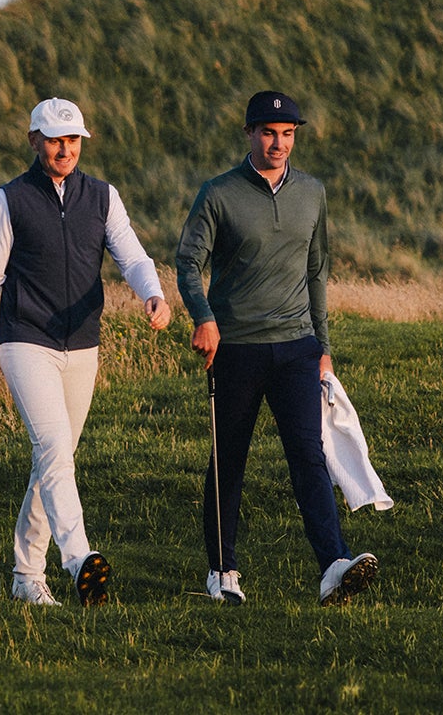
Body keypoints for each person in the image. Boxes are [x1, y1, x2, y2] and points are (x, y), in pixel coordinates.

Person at [0, 97, 172, 606]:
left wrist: (154, 293)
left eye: (73, 140)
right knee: (56, 450)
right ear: (34, 141)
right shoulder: (9, 199)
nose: (65, 150)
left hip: (82, 346)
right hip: (25, 340)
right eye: (55, 140)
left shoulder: (102, 197)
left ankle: (25, 576)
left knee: (52, 459)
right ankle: (80, 559)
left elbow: (132, 254)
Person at [176, 90, 378, 607]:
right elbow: (187, 263)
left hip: (297, 348)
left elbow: (317, 272)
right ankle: (223, 573)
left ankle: (334, 565)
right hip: (236, 349)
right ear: (249, 133)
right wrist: (204, 318)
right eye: (269, 133)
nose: (279, 144)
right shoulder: (218, 193)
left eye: (288, 134)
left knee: (309, 456)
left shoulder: (312, 192)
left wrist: (324, 348)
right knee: (229, 461)